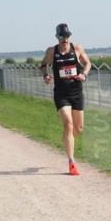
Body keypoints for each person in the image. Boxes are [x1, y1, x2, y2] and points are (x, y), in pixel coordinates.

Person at [41, 22, 91, 175]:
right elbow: (43, 65)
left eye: (67, 36)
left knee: (78, 129)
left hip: (76, 92)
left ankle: (67, 139)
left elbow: (88, 63)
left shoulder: (77, 48)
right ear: (56, 37)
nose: (65, 39)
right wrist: (46, 76)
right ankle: (71, 162)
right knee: (68, 124)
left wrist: (84, 74)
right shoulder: (52, 51)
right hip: (61, 94)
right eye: (62, 36)